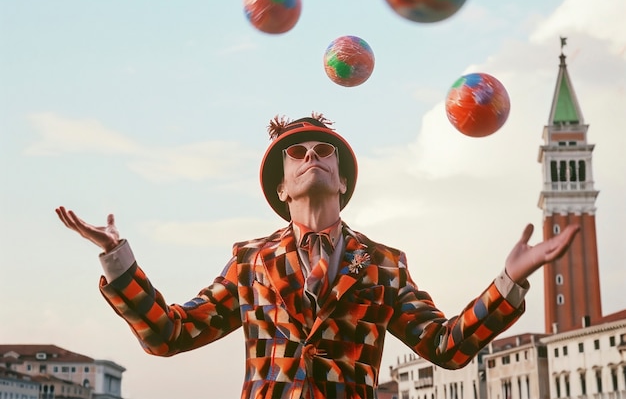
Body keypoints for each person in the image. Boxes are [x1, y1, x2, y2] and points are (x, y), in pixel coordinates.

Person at [56, 113, 579, 399]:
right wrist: (117, 260)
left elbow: (446, 346)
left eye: (324, 151)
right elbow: (169, 335)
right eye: (297, 153)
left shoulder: (384, 263)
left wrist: (509, 279)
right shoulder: (249, 260)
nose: (311, 157)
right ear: (281, 187)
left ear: (343, 179)